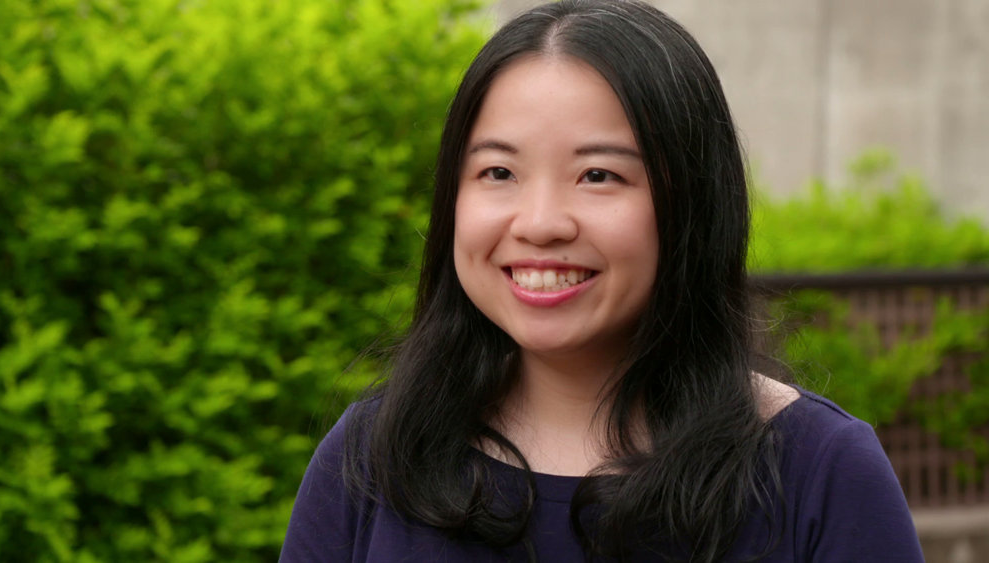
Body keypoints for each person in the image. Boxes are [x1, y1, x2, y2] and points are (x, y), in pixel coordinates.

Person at [280, 1, 924, 561]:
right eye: (498, 172)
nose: (540, 224)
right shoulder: (372, 457)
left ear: (694, 205)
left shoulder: (822, 472)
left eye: (598, 176)